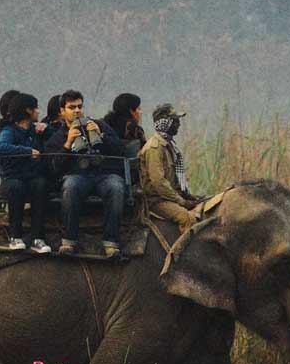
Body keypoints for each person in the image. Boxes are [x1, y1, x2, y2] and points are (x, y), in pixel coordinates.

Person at [42, 90, 129, 258]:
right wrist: (67, 144)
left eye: (79, 106)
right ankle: (69, 241)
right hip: (76, 176)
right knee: (71, 187)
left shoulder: (99, 124)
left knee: (116, 187)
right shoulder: (57, 137)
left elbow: (120, 149)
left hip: (104, 174)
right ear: (62, 111)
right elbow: (54, 169)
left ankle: (111, 243)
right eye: (71, 107)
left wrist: (101, 135)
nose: (77, 111)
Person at [0, 90, 51, 253]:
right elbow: (1, 148)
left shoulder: (35, 130)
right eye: (36, 108)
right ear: (28, 110)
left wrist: (47, 129)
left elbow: (55, 138)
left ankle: (38, 238)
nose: (39, 112)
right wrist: (27, 151)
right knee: (16, 187)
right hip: (12, 178)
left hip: (31, 177)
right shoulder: (9, 131)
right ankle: (15, 236)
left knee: (40, 184)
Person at [138, 103, 204, 232]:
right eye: (175, 121)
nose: (178, 124)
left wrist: (187, 195)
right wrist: (181, 201)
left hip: (169, 196)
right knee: (187, 218)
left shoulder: (169, 145)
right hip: (157, 201)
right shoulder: (154, 148)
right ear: (165, 122)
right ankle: (185, 252)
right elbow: (159, 182)